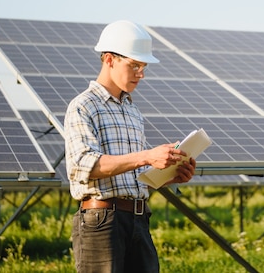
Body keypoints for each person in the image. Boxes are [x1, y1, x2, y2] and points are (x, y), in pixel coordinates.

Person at [63, 20, 196, 273]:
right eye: (134, 65)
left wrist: (172, 174)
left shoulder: (132, 111)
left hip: (139, 219)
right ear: (110, 59)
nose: (141, 73)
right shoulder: (83, 106)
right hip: (102, 222)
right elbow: (83, 164)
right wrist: (147, 156)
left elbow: (137, 176)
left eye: (143, 66)